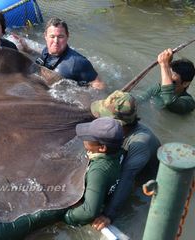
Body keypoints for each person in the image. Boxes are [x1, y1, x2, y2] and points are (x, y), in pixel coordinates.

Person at [89, 91, 161, 231]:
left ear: (119, 124)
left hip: (147, 184)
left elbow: (127, 179)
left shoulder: (140, 143)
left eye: (104, 118)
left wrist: (109, 215)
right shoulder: (119, 132)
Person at [64, 117, 123, 226]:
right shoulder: (120, 152)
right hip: (104, 189)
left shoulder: (98, 171)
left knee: (37, 217)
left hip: (92, 200)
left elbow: (89, 212)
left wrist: (68, 217)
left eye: (88, 138)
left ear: (102, 148)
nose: (84, 140)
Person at [17, 17, 105, 89]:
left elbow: (100, 85)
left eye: (60, 36)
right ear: (45, 36)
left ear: (67, 36)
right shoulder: (46, 51)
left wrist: (81, 96)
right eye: (52, 36)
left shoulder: (78, 62)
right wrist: (27, 49)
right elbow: (42, 56)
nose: (56, 41)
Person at [136, 48, 195, 114]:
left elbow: (169, 101)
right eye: (166, 78)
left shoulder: (188, 102)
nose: (166, 83)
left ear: (185, 83)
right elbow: (138, 101)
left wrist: (164, 65)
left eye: (171, 81)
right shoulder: (158, 88)